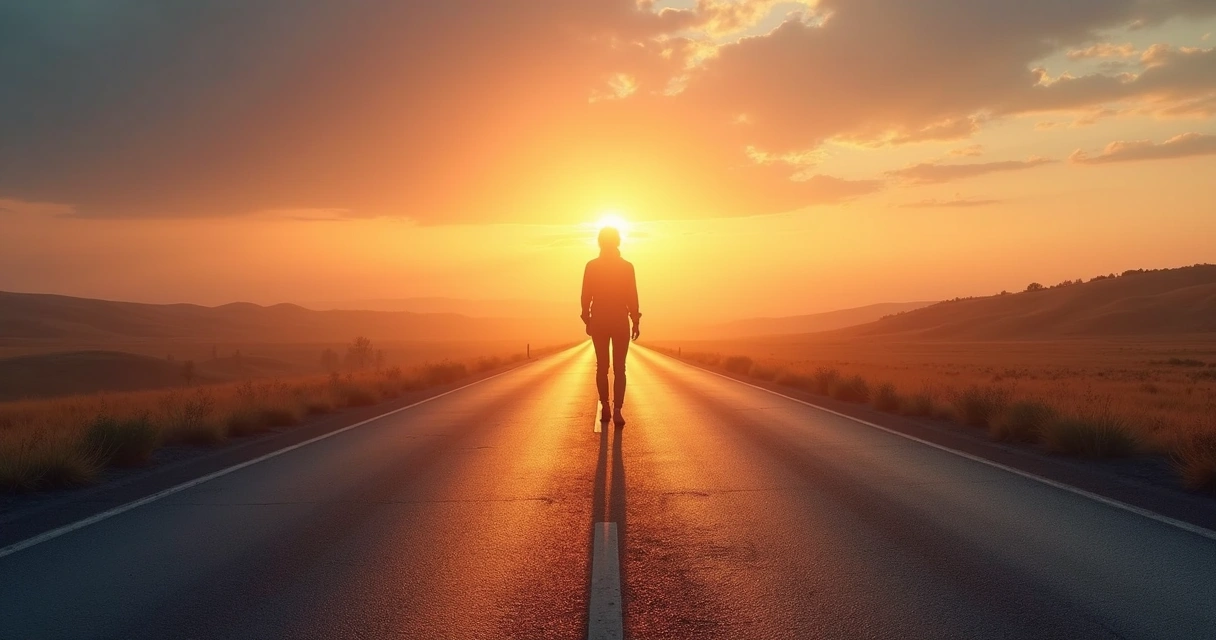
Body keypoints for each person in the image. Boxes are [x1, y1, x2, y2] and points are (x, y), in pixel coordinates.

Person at [581, 226, 641, 427]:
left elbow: (585, 296)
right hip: (619, 320)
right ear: (618, 242)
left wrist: (587, 319)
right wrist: (636, 320)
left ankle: (605, 406)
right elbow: (632, 296)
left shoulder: (591, 266)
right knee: (620, 368)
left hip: (599, 319)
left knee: (602, 367)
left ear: (600, 242)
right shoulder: (626, 267)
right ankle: (617, 410)